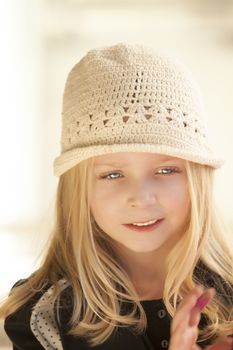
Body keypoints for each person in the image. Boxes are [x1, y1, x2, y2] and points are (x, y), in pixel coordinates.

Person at [0, 42, 232, 350]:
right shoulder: (43, 316)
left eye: (166, 171)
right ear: (78, 191)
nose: (140, 197)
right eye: (112, 175)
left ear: (198, 179)